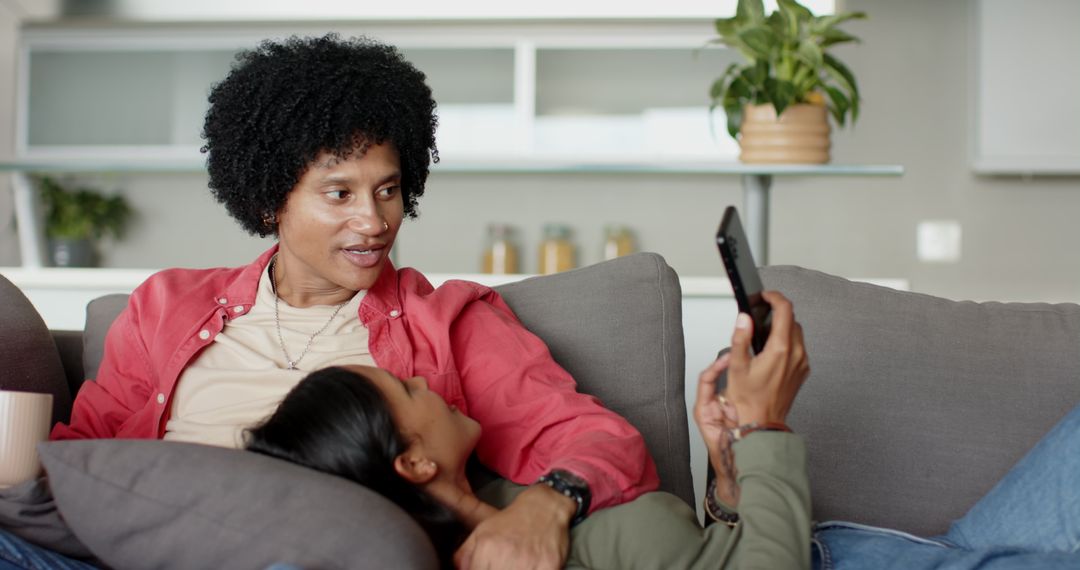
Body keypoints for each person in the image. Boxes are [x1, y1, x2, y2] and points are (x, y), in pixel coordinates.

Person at [1, 34, 658, 569]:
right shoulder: (165, 305)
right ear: (268, 201)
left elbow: (600, 440)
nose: (374, 221)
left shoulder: (449, 321)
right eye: (339, 194)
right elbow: (85, 455)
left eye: (388, 190)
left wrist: (546, 507)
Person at [250, 292, 1080, 570]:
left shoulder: (517, 501)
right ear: (414, 459)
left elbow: (697, 559)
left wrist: (725, 476)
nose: (427, 377)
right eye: (405, 387)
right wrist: (768, 428)